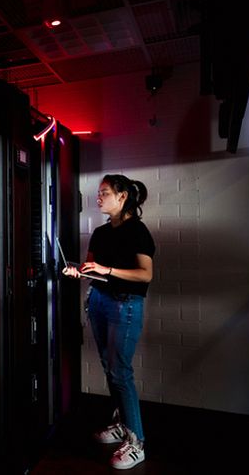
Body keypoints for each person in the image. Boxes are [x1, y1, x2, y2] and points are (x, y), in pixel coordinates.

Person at [63, 174, 155, 470]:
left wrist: (108, 269)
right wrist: (79, 272)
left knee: (120, 373)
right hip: (99, 301)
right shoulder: (101, 232)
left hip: (125, 304)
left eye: (104, 192)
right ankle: (121, 425)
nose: (98, 197)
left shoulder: (138, 230)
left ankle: (136, 442)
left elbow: (145, 274)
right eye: (99, 192)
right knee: (109, 368)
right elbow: (92, 269)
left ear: (122, 196)